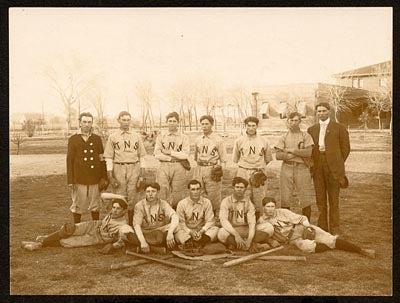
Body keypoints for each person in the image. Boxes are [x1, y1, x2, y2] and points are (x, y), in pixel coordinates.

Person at [256, 197, 375, 258]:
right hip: (293, 239)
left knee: (330, 239)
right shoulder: (262, 221)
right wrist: (271, 241)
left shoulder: (283, 212)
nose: (271, 209)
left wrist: (308, 228)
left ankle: (362, 250)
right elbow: (265, 235)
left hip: (300, 229)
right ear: (263, 208)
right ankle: (331, 246)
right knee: (307, 247)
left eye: (272, 206)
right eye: (268, 206)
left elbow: (302, 219)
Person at [21, 194, 134, 252]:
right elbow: (103, 195)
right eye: (113, 208)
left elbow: (124, 237)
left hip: (98, 238)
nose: (114, 210)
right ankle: (41, 243)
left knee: (68, 242)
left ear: (124, 211)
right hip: (95, 225)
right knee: (70, 228)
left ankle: (42, 241)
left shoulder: (123, 225)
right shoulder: (113, 211)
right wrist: (120, 197)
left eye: (117, 209)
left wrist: (113, 246)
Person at [307, 102, 351, 235]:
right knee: (320, 199)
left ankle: (335, 228)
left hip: (333, 167)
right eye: (318, 111)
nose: (321, 113)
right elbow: (310, 149)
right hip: (317, 165)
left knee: (333, 199)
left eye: (323, 111)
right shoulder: (311, 129)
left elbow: (346, 149)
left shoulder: (340, 128)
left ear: (329, 112)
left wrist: (336, 161)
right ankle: (322, 228)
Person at [103, 111, 148, 226]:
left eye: (128, 120)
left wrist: (142, 176)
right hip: (118, 167)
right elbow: (108, 158)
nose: (126, 122)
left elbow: (142, 156)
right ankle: (118, 225)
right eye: (124, 120)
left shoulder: (136, 136)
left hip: (134, 167)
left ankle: (133, 225)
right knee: (119, 197)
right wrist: (111, 177)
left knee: (133, 198)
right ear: (119, 120)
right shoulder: (113, 136)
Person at [66, 112, 108, 223]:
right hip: (79, 177)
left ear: (92, 123)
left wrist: (104, 176)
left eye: (89, 122)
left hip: (95, 176)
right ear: (79, 123)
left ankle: (95, 227)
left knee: (95, 204)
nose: (87, 124)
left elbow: (101, 158)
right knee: (78, 204)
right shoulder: (73, 139)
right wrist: (70, 180)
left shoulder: (96, 139)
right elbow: (69, 160)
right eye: (84, 122)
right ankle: (76, 228)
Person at [274, 112, 314, 221]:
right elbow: (278, 155)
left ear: (300, 121)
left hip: (302, 167)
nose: (293, 123)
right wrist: (298, 153)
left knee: (305, 197)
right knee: (285, 197)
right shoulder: (284, 137)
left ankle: (306, 225)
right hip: (286, 168)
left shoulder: (305, 136)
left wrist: (291, 151)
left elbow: (308, 153)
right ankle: (286, 224)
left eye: (296, 120)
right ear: (287, 122)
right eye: (291, 120)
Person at [232, 116, 273, 218]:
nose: (251, 128)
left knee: (259, 197)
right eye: (248, 126)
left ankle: (259, 219)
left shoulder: (264, 140)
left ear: (257, 126)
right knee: (243, 195)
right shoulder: (239, 140)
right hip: (243, 170)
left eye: (253, 126)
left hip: (258, 171)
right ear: (245, 126)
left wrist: (258, 167)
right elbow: (236, 159)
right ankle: (243, 219)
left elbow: (267, 159)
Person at [217, 177, 272, 252]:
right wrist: (236, 235)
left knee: (269, 227)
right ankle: (250, 244)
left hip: (246, 229)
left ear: (245, 189)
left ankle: (245, 243)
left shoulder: (249, 203)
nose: (239, 189)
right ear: (233, 187)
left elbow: (252, 223)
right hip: (232, 229)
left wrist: (249, 239)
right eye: (237, 187)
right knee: (221, 233)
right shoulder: (226, 201)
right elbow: (223, 221)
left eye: (242, 187)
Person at [127, 182, 179, 253]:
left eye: (153, 191)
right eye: (148, 191)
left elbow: (174, 216)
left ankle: (144, 245)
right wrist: (142, 242)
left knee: (178, 226)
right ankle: (153, 247)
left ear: (158, 192)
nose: (150, 194)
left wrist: (170, 233)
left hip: (160, 230)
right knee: (125, 231)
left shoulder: (163, 203)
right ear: (145, 192)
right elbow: (136, 225)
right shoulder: (139, 205)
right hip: (146, 231)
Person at [154, 112, 190, 209]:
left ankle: (177, 213)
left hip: (179, 166)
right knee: (162, 189)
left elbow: (185, 155)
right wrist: (169, 158)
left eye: (174, 121)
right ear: (166, 122)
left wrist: (169, 152)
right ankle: (163, 212)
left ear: (178, 123)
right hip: (164, 165)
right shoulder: (161, 136)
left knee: (178, 191)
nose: (172, 123)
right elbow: (157, 154)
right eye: (170, 121)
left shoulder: (184, 137)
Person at [193, 115, 227, 217]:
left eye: (207, 124)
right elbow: (196, 157)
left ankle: (215, 216)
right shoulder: (198, 139)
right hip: (199, 168)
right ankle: (200, 214)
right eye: (202, 124)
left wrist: (220, 171)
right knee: (198, 191)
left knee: (213, 194)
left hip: (212, 168)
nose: (204, 126)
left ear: (212, 124)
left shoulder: (218, 139)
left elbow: (224, 159)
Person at [174, 180, 219, 249]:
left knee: (215, 229)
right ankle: (194, 243)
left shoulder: (207, 202)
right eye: (193, 189)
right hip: (187, 231)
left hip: (202, 231)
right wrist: (190, 232)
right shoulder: (182, 203)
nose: (196, 192)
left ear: (201, 190)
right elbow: (181, 223)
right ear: (188, 191)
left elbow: (210, 221)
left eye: (198, 189)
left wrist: (202, 231)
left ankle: (194, 244)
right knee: (178, 233)